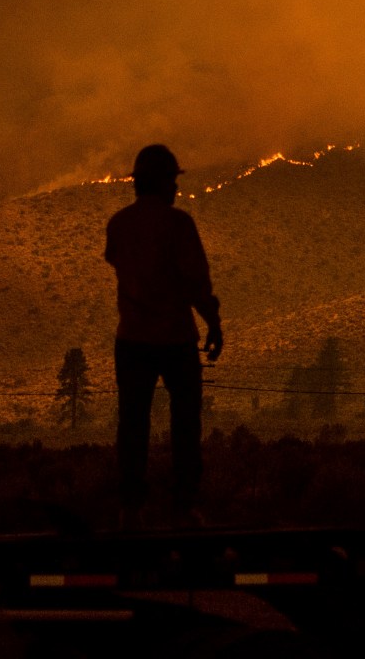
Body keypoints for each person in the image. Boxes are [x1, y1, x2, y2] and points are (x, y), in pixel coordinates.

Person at [103, 143, 222, 526]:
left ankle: (130, 506)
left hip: (132, 339)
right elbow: (196, 284)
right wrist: (213, 324)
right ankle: (184, 505)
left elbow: (115, 261)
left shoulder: (119, 224)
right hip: (175, 339)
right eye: (172, 179)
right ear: (162, 182)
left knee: (132, 424)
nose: (175, 187)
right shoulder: (178, 224)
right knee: (186, 423)